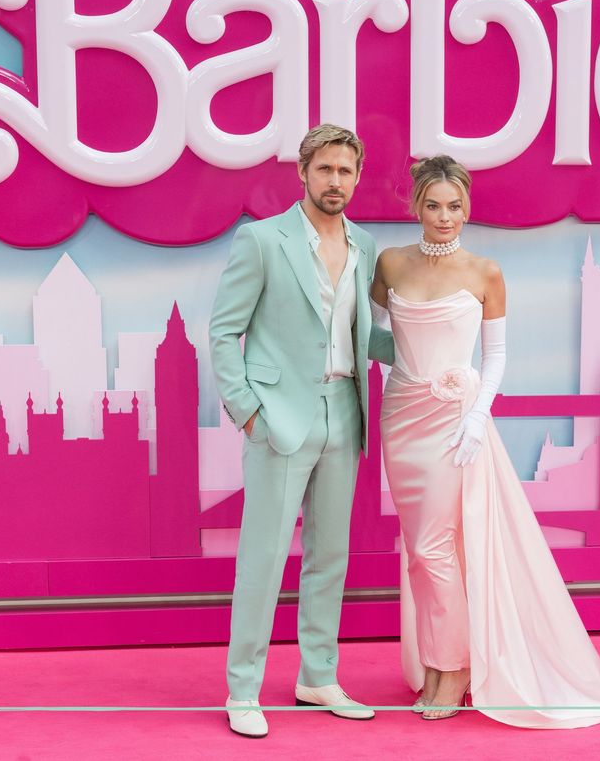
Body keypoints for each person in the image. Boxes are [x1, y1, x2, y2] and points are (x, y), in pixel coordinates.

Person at [369, 156, 600, 727]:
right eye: (433, 206)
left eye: (455, 206)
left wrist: (476, 415)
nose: (445, 217)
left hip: (455, 421)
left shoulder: (485, 272)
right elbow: (373, 335)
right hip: (402, 415)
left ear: (467, 208)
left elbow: (496, 356)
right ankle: (439, 663)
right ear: (415, 208)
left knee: (437, 546)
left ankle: (456, 669)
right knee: (420, 551)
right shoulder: (391, 264)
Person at [209, 124, 394, 738]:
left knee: (329, 558)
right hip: (279, 416)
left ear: (357, 178)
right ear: (304, 173)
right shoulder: (261, 240)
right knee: (262, 559)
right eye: (325, 170)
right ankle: (243, 691)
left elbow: (362, 334)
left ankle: (318, 675)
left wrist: (440, 334)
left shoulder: (366, 245)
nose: (335, 181)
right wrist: (246, 409)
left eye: (345, 171)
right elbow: (222, 332)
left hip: (345, 408)